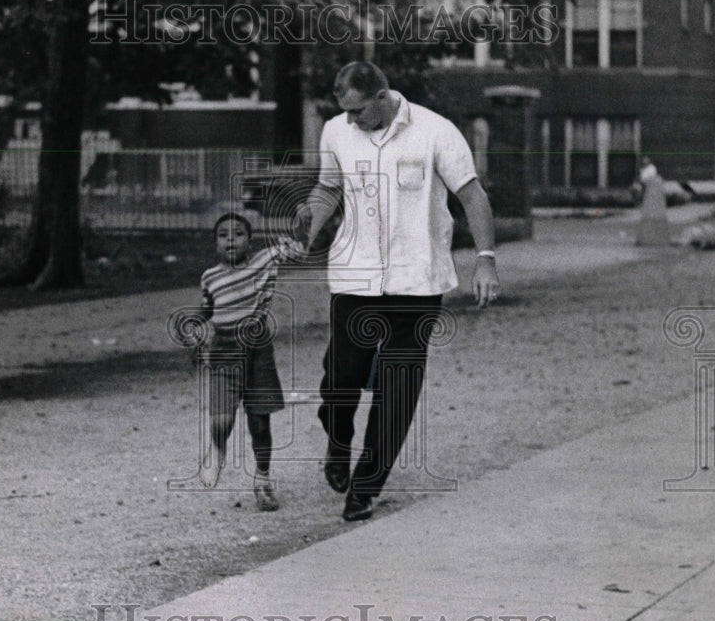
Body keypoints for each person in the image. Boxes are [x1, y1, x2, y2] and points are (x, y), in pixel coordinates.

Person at [305, 61, 501, 521]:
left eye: (358, 111)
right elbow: (327, 189)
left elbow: (471, 196)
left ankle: (366, 486)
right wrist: (305, 232)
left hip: (417, 281)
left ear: (382, 96)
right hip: (354, 276)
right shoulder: (335, 131)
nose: (351, 121)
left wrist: (486, 260)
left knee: (397, 388)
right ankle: (338, 441)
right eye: (345, 112)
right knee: (340, 378)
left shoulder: (436, 131)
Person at [178, 212, 304, 511]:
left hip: (258, 351)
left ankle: (262, 480)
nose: (231, 240)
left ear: (250, 240)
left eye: (238, 234)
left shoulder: (264, 261)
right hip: (223, 351)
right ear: (215, 243)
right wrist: (193, 329)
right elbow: (208, 308)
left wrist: (301, 231)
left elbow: (297, 249)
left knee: (259, 421)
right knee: (222, 420)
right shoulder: (210, 277)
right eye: (223, 235)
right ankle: (218, 447)